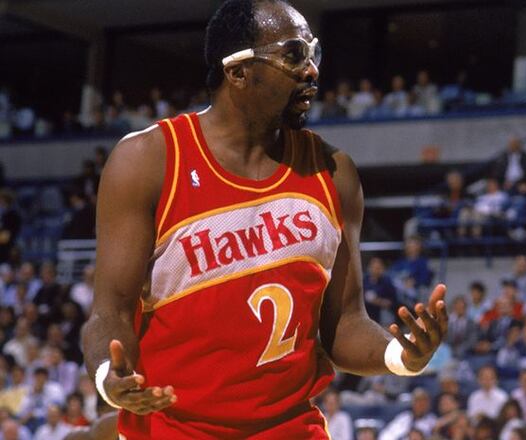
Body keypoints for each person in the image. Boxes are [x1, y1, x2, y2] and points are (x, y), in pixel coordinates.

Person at [81, 1, 448, 438]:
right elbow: (109, 312)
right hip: (173, 428)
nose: (311, 71)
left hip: (291, 428)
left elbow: (343, 325)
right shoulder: (148, 161)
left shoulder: (333, 171)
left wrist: (400, 356)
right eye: (293, 55)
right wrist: (110, 378)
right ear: (237, 72)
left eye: (314, 54)